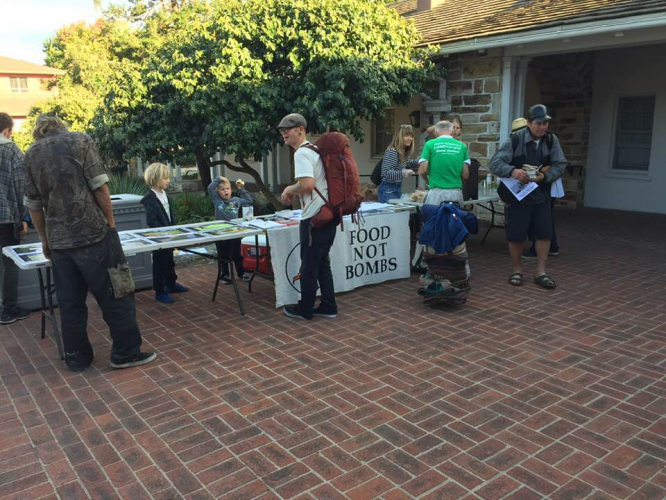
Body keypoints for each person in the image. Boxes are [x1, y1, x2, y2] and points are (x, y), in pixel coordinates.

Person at [23, 115, 156, 372]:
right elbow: (99, 187)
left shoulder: (31, 154)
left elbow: (34, 206)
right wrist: (111, 224)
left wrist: (44, 239)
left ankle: (77, 357)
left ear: (38, 132)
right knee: (117, 293)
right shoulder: (80, 141)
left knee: (70, 303)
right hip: (94, 234)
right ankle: (126, 353)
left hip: (60, 243)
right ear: (61, 125)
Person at [490, 104, 567, 289]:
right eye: (539, 123)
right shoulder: (515, 139)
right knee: (516, 235)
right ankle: (517, 271)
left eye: (545, 123)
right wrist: (513, 171)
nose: (543, 127)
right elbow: (495, 163)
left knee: (544, 234)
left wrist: (545, 176)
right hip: (517, 197)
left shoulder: (551, 140)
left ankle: (541, 272)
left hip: (541, 195)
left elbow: (561, 164)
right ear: (529, 123)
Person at [279, 113, 337, 320]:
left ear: (301, 129)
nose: (284, 133)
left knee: (309, 265)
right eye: (282, 130)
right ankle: (329, 306)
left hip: (314, 217)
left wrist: (289, 190)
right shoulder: (314, 149)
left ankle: (305, 309)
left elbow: (307, 185)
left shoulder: (302, 153)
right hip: (328, 214)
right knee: (322, 264)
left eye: (288, 128)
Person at [510, 118, 563, 260]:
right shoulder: (517, 143)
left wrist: (544, 173)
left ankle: (541, 248)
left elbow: (558, 164)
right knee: (544, 218)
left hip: (546, 185)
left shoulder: (549, 141)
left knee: (543, 219)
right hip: (531, 187)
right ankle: (551, 246)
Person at [141, 162, 189, 304]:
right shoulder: (150, 199)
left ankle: (171, 284)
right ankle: (160, 291)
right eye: (165, 178)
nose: (169, 180)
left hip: (169, 235)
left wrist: (173, 230)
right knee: (160, 264)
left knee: (169, 261)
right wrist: (163, 233)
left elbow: (169, 215)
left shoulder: (164, 195)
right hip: (160, 238)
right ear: (155, 179)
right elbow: (151, 220)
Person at [0, 113, 31, 325]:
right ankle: (9, 309)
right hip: (6, 217)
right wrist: (23, 217)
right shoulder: (11, 150)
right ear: (7, 130)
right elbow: (22, 187)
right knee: (10, 263)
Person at [207, 176, 253, 282]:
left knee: (237, 254)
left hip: (234, 231)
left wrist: (241, 189)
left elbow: (249, 200)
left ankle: (241, 273)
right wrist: (220, 178)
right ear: (218, 192)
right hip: (220, 232)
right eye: (222, 189)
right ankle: (225, 275)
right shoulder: (217, 200)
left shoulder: (236, 200)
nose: (225, 191)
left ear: (231, 190)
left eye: (227, 188)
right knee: (222, 255)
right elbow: (210, 188)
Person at [418, 120, 470, 205]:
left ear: (436, 132)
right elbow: (465, 175)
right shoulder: (462, 146)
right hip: (455, 193)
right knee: (454, 214)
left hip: (436, 193)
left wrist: (427, 181)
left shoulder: (429, 144)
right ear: (451, 131)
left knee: (434, 213)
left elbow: (422, 170)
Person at [377, 124, 418, 203]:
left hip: (396, 187)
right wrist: (403, 172)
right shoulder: (392, 151)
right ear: (399, 137)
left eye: (411, 136)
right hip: (388, 189)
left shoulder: (402, 151)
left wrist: (421, 162)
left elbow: (407, 162)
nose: (410, 138)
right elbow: (386, 173)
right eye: (406, 135)